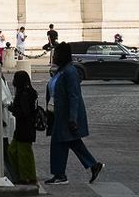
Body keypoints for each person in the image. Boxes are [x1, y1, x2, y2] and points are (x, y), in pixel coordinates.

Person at [43, 43, 101, 185]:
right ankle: (92, 165)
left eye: (56, 54)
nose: (54, 56)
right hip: (58, 114)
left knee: (59, 143)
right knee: (71, 141)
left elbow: (74, 96)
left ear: (62, 55)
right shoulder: (61, 71)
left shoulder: (70, 71)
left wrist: (73, 118)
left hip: (66, 115)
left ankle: (60, 175)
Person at [8, 70, 40, 185]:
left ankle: (27, 177)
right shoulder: (29, 92)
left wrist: (12, 109)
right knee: (13, 151)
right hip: (25, 128)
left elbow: (24, 112)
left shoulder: (24, 94)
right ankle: (22, 175)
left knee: (24, 153)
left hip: (25, 128)